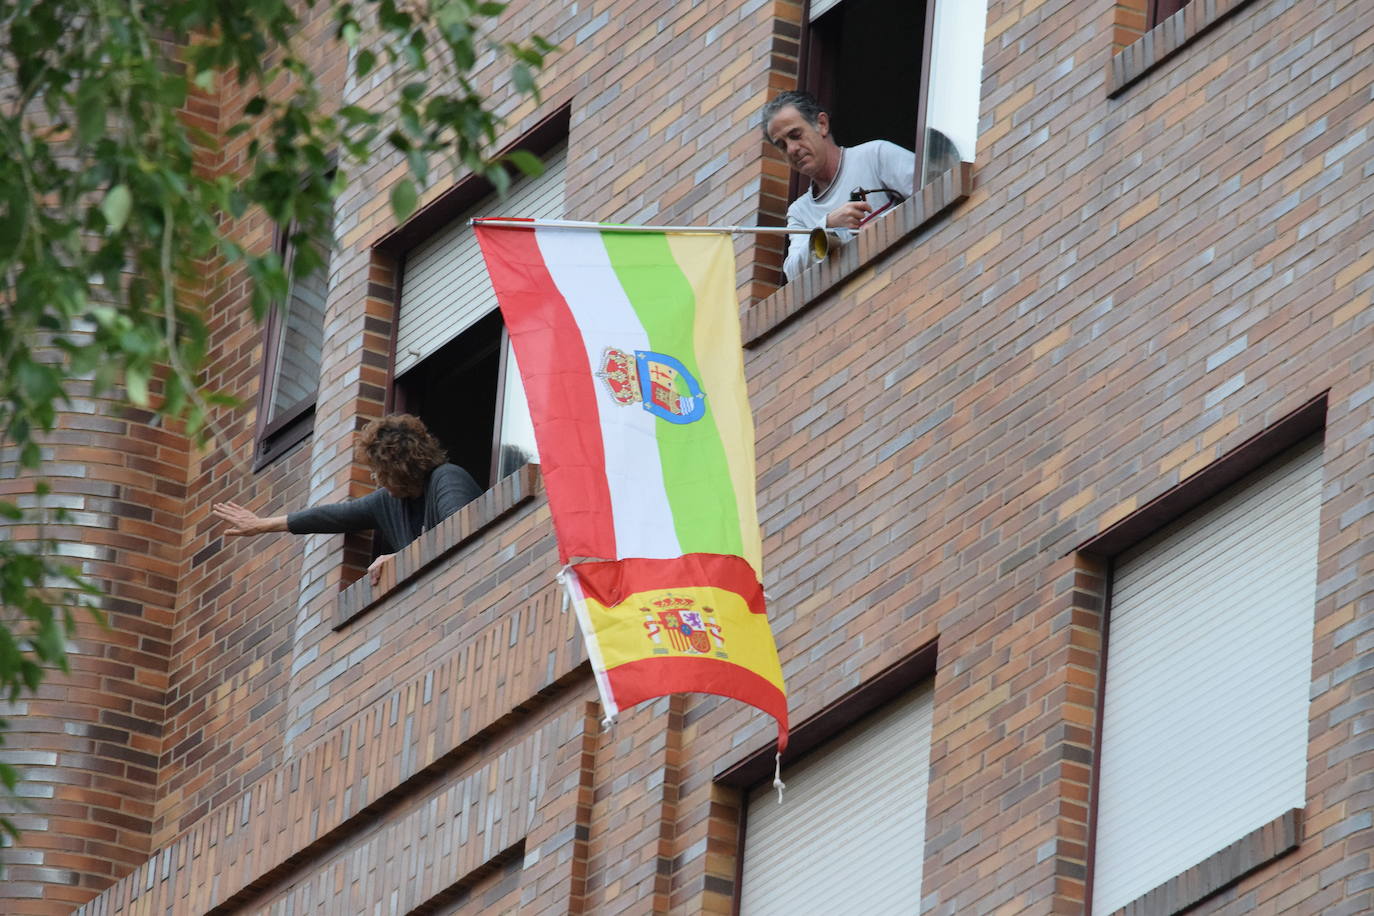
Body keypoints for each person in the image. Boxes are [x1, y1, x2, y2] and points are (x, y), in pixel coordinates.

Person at [213, 414, 481, 586]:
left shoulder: (447, 479)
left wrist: (401, 558)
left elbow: (459, 532)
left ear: (400, 468)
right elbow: (334, 516)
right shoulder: (388, 503)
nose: (377, 479)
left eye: (380, 472)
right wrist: (262, 525)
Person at [761, 91, 916, 282]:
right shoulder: (800, 212)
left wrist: (886, 224)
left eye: (795, 135)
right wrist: (827, 225)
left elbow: (935, 187)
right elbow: (793, 273)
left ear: (822, 124)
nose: (792, 149)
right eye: (782, 146)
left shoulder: (876, 155)